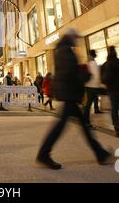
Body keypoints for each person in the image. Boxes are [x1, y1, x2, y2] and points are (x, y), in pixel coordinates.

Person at [37, 29, 112, 170]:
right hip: (69, 94)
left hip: (69, 93)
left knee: (82, 125)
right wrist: (85, 76)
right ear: (70, 37)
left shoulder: (62, 50)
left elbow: (69, 71)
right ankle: (43, 154)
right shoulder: (65, 51)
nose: (77, 40)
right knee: (61, 126)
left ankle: (100, 153)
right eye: (76, 37)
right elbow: (69, 72)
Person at [84, 50, 103, 127]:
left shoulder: (89, 63)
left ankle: (86, 120)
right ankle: (86, 120)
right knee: (88, 104)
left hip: (90, 86)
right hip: (93, 86)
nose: (96, 55)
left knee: (88, 104)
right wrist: (99, 84)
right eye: (95, 54)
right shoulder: (92, 63)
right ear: (94, 54)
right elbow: (96, 76)